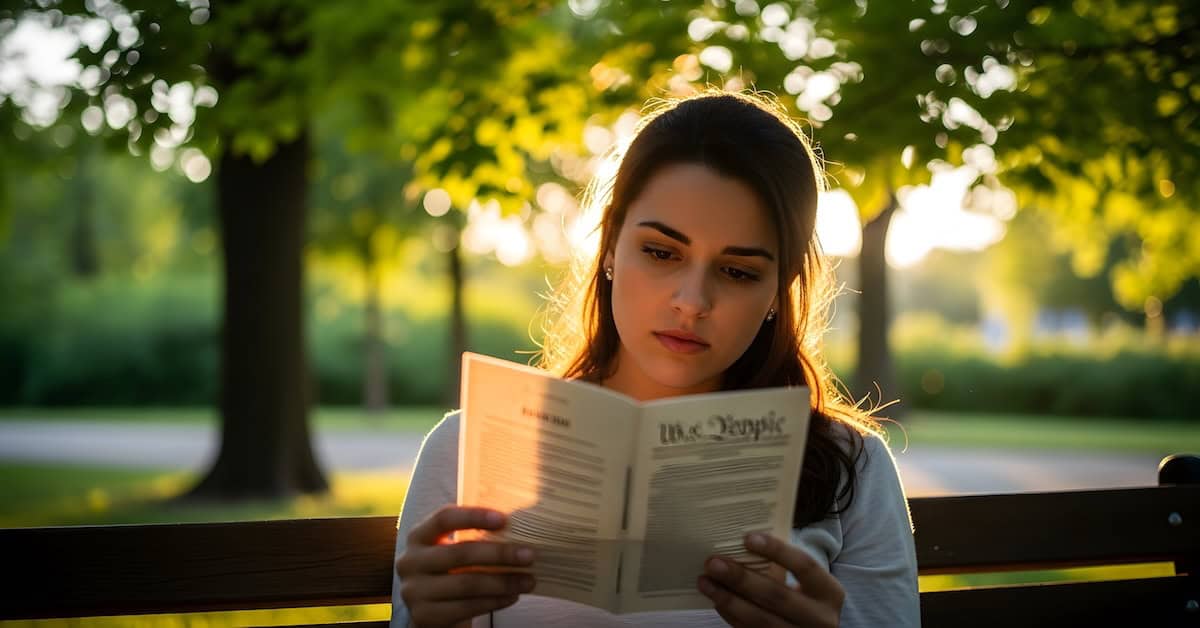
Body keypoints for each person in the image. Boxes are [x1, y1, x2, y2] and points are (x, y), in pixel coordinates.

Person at [390, 91, 919, 627]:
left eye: (738, 271)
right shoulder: (466, 450)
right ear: (610, 249)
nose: (692, 302)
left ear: (776, 294)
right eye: (662, 252)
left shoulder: (849, 468)